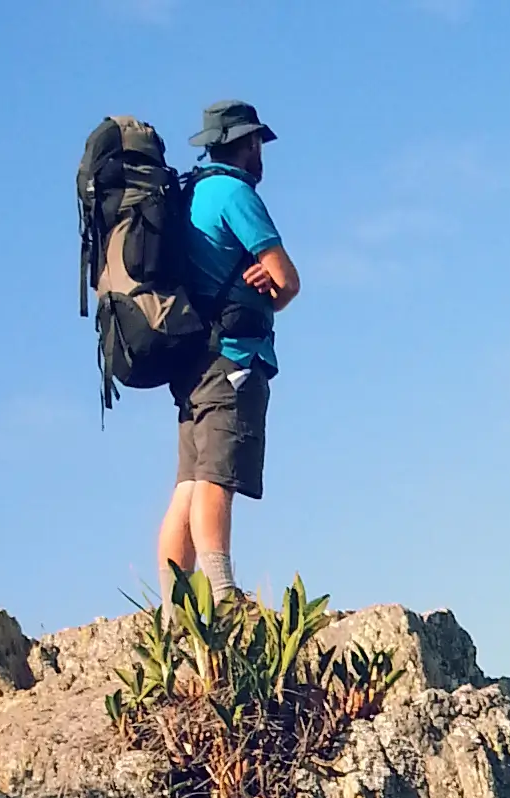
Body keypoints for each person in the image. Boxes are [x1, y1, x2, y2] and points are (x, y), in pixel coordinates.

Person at [155, 99, 300, 600]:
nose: (261, 151)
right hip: (234, 357)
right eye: (257, 141)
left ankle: (174, 611)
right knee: (218, 478)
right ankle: (222, 592)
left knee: (188, 484)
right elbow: (287, 281)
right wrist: (267, 288)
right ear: (244, 143)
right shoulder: (234, 194)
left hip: (190, 360)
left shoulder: (187, 195)